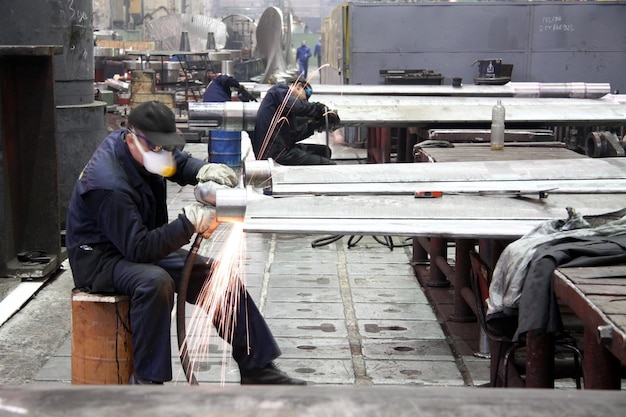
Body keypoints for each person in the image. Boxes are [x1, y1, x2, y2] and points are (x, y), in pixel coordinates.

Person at [65, 100, 305, 386]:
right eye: (158, 148)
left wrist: (203, 171)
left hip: (136, 240)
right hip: (100, 258)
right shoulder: (108, 184)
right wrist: (187, 224)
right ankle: (146, 384)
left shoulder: (143, 149)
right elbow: (139, 249)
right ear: (132, 139)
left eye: (166, 147)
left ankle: (257, 366)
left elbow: (175, 163)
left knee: (217, 275)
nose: (163, 154)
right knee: (154, 282)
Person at [251, 78, 340, 165]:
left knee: (324, 151)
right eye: (305, 98)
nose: (304, 101)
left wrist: (313, 125)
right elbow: (298, 107)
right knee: (329, 165)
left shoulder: (286, 109)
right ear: (299, 86)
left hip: (282, 148)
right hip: (275, 153)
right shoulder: (279, 91)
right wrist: (319, 109)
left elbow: (292, 136)